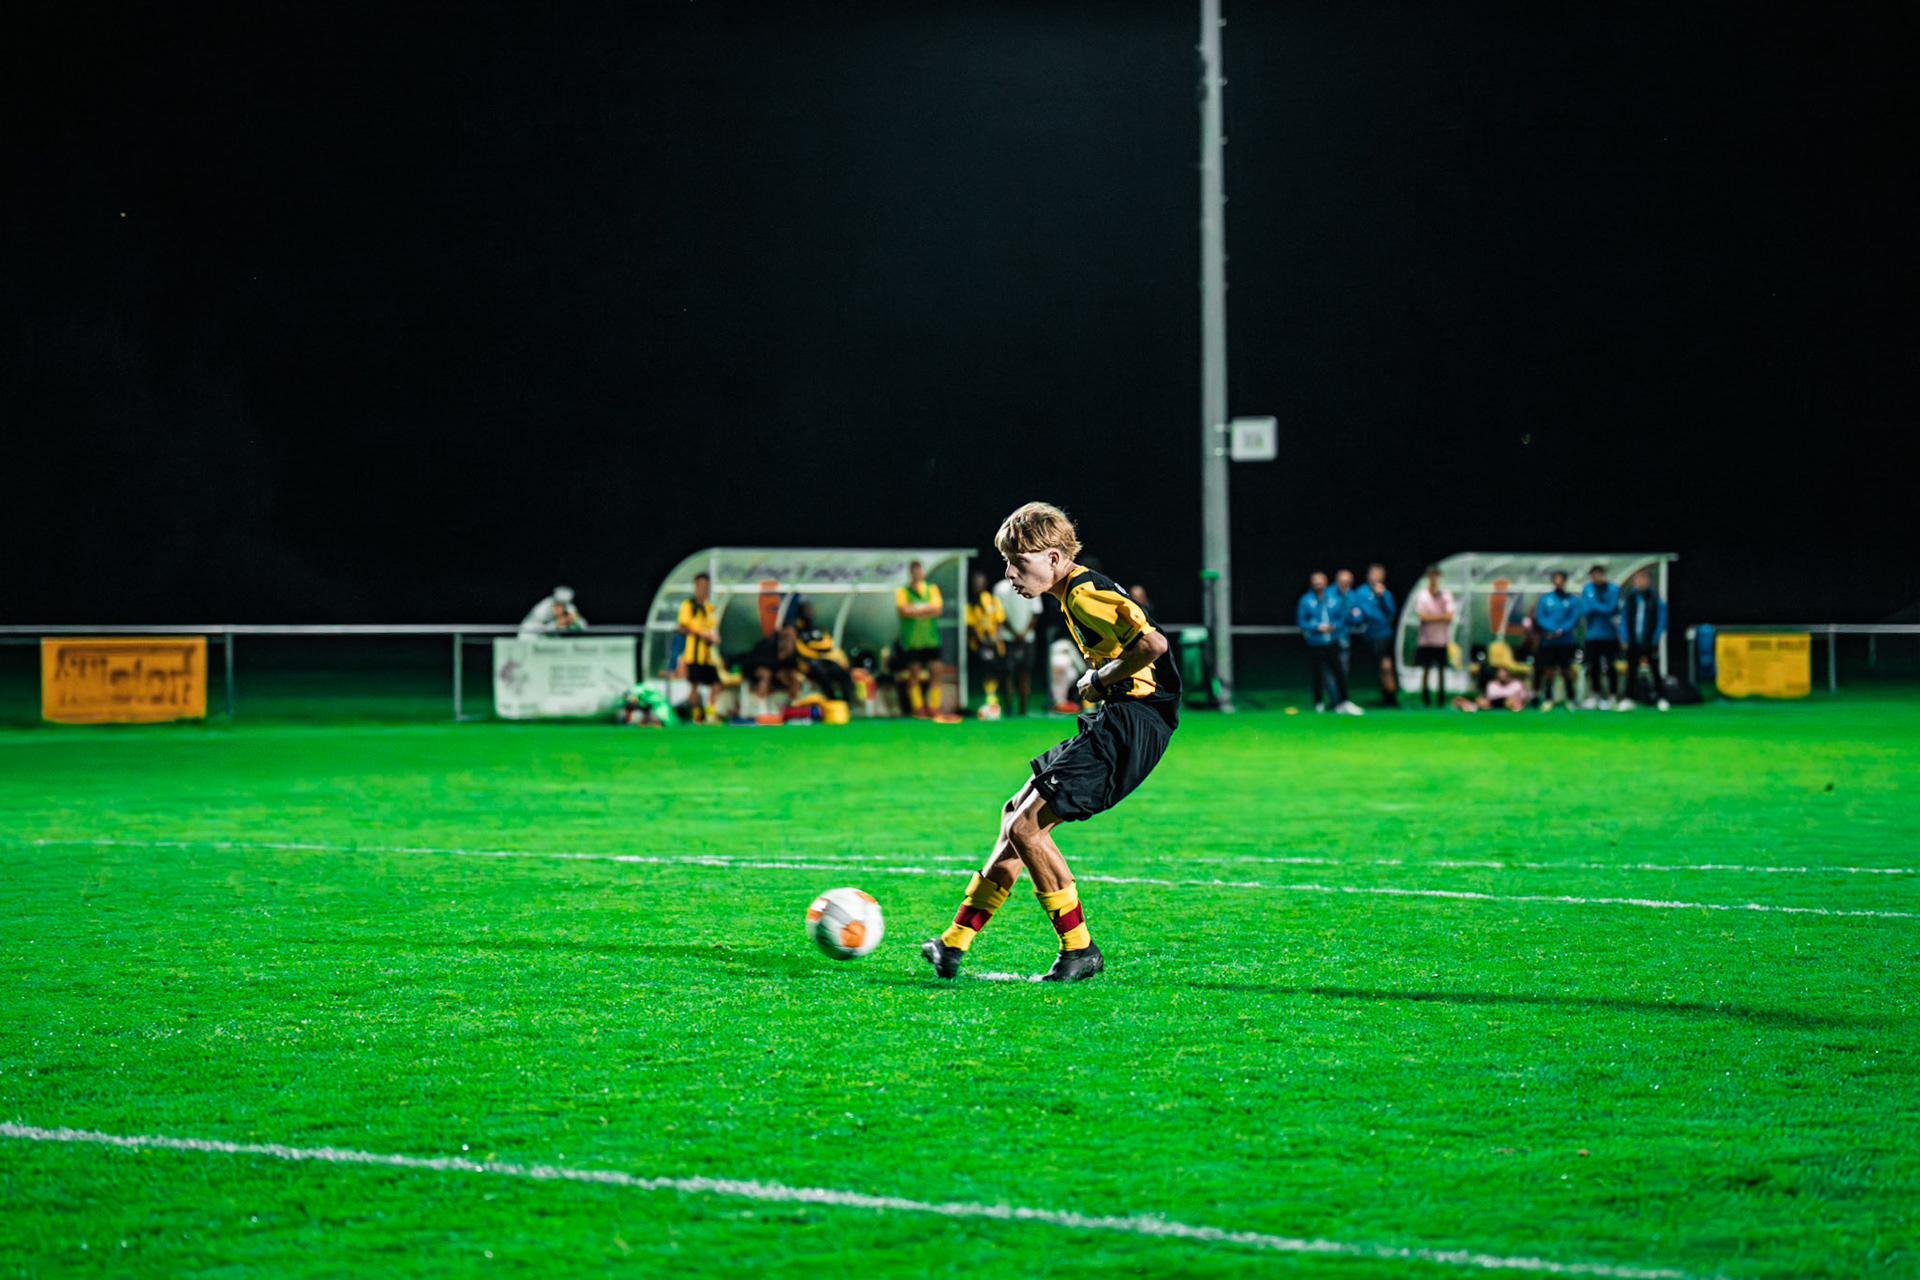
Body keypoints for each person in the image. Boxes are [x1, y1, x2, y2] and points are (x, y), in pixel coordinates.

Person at [922, 502, 1179, 984]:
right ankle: (953, 943)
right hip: (1120, 717)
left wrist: (1099, 679)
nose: (1010, 574)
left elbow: (1154, 645)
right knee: (1014, 815)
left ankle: (1079, 949)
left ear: (1055, 558)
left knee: (1027, 829)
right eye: (1008, 563)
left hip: (1133, 723)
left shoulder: (1082, 594)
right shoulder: (1075, 591)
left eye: (1020, 563)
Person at [1297, 572, 1361, 714]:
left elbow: (1342, 619)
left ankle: (1343, 702)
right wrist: (1317, 627)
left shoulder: (1333, 599)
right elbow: (1301, 621)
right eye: (1315, 581)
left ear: (1326, 582)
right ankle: (1319, 703)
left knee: (1339, 672)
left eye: (1320, 581)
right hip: (1315, 642)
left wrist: (1333, 627)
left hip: (1332, 641)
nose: (1318, 584)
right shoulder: (1306, 600)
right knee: (1318, 674)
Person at [895, 559, 944, 718]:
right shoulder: (903, 591)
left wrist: (915, 610)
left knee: (936, 672)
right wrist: (926, 608)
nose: (918, 573)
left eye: (920, 570)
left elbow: (937, 609)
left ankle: (934, 706)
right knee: (914, 674)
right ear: (911, 573)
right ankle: (917, 707)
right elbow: (903, 610)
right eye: (915, 571)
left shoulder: (931, 589)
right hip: (912, 640)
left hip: (931, 639)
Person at [1349, 563, 1400, 707]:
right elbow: (1356, 613)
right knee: (1380, 666)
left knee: (1386, 665)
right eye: (1373, 573)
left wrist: (1382, 596)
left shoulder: (1385, 592)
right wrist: (1357, 617)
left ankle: (1391, 697)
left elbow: (1391, 611)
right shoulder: (1361, 592)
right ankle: (1385, 695)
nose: (1376, 577)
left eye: (1379, 574)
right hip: (1369, 635)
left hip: (1384, 634)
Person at [1619, 569, 1669, 710]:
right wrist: (1625, 637)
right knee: (1632, 670)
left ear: (1647, 580)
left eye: (1643, 578)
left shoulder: (1655, 598)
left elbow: (1662, 619)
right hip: (1633, 641)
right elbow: (1623, 619)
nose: (1640, 582)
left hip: (1649, 640)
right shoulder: (1630, 599)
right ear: (1634, 582)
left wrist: (1656, 637)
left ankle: (1661, 697)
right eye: (1637, 579)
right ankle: (1629, 698)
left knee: (1654, 670)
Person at [1531, 570, 1581, 710]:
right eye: (1556, 580)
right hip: (1548, 641)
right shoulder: (1545, 599)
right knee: (1548, 671)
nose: (1558, 582)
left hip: (1566, 641)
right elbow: (1540, 617)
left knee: (1567, 670)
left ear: (1564, 582)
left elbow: (1574, 618)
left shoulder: (1572, 599)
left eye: (1561, 580)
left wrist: (1561, 630)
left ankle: (1570, 698)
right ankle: (1548, 698)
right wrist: (1551, 629)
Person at [676, 573, 722, 723]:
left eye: (706, 586)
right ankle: (696, 716)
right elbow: (683, 626)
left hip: (708, 656)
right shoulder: (689, 605)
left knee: (716, 684)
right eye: (701, 585)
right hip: (693, 654)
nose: (704, 589)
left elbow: (712, 628)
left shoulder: (709, 607)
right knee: (694, 685)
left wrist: (714, 637)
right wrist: (703, 635)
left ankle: (710, 713)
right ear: (696, 587)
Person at [993, 572, 1038, 715]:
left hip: (1027, 638)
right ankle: (1008, 708)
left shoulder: (1032, 585)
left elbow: (1035, 612)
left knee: (1024, 672)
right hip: (1007, 638)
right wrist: (1015, 632)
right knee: (1006, 673)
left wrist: (1023, 632)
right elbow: (999, 614)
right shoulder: (1000, 588)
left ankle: (1023, 708)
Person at [792, 600, 854, 703]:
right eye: (806, 610)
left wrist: (812, 645)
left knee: (844, 673)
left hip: (825, 659)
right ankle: (831, 698)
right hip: (809, 663)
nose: (809, 613)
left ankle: (846, 701)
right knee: (820, 670)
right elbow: (801, 649)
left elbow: (828, 644)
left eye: (810, 610)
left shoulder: (817, 629)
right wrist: (817, 646)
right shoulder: (797, 630)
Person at [964, 571, 1007, 715]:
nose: (978, 586)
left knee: (998, 670)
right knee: (984, 667)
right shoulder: (969, 604)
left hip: (995, 644)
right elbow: (970, 627)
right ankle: (981, 700)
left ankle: (993, 698)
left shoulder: (992, 600)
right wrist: (983, 643)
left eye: (980, 582)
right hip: (978, 646)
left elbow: (999, 620)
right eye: (975, 583)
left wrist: (995, 639)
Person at [1412, 566, 1455, 707]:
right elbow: (1423, 616)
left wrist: (1432, 617)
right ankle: (1426, 699)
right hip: (1426, 640)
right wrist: (1440, 617)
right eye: (1431, 575)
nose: (1434, 579)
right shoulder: (1422, 594)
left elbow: (1450, 615)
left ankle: (1441, 699)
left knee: (1442, 669)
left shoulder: (1446, 594)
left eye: (1436, 575)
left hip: (1441, 640)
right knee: (1426, 668)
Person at [1580, 564, 1622, 709]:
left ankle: (1613, 695)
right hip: (1592, 635)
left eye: (1599, 574)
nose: (1596, 577)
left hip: (1609, 635)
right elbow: (1586, 610)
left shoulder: (1613, 588)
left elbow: (1611, 608)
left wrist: (1595, 605)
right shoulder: (1587, 588)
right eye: (1593, 575)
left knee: (1610, 665)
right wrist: (1602, 607)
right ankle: (1596, 695)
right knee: (1593, 666)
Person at [745, 626, 801, 707]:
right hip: (756, 671)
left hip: (777, 676)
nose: (789, 640)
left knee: (793, 678)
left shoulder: (795, 651)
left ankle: (793, 705)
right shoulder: (768, 644)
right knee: (766, 674)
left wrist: (786, 656)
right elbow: (752, 662)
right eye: (786, 637)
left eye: (792, 638)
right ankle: (758, 703)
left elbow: (795, 668)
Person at [1454, 666, 1531, 712]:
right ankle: (1470, 706)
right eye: (1500, 674)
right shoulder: (1492, 685)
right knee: (1482, 701)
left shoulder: (1517, 685)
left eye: (1504, 674)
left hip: (1512, 704)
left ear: (1508, 674)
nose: (1502, 676)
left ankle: (1472, 706)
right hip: (1493, 704)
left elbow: (1524, 699)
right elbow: (1490, 699)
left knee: (1511, 701)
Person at [520, 586, 585, 634]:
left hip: (550, 636)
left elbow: (581, 625)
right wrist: (546, 628)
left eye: (563, 604)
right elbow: (532, 625)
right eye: (558, 603)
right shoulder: (543, 607)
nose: (561, 607)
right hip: (531, 633)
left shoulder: (569, 607)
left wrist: (563, 623)